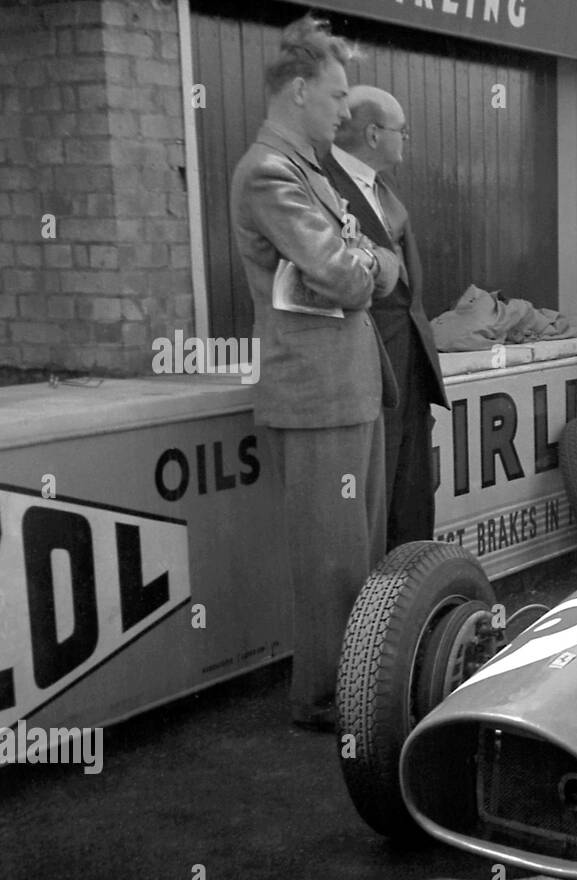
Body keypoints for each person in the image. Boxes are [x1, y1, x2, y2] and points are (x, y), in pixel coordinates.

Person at [230, 16, 401, 729]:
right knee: (331, 564)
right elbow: (348, 273)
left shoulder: (306, 173)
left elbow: (372, 264)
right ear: (299, 92)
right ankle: (324, 697)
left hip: (346, 386)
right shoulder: (271, 173)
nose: (344, 111)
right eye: (335, 97)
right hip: (316, 395)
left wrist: (364, 265)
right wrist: (365, 266)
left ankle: (351, 687)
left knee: (358, 554)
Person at [321, 86, 449, 550]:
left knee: (412, 500)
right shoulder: (324, 186)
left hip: (408, 370)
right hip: (367, 373)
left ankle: (413, 601)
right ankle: (378, 613)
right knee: (374, 508)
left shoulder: (381, 190)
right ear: (374, 134)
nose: (406, 140)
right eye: (402, 131)